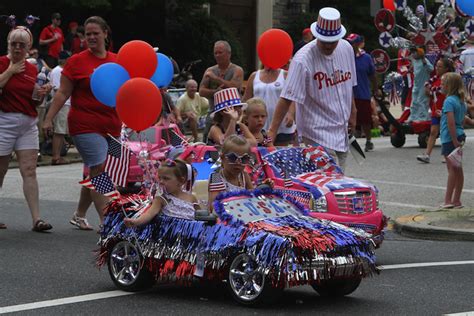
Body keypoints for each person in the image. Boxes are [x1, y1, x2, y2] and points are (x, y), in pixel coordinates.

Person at [42, 16, 121, 228]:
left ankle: (79, 213)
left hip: (112, 126)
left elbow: (126, 93)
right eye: (88, 34)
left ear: (105, 33)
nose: (92, 37)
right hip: (84, 125)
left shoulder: (117, 61)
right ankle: (108, 223)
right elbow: (62, 93)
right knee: (98, 168)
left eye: (96, 33)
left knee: (98, 170)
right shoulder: (77, 61)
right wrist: (48, 119)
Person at [268, 7, 357, 171]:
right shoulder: (302, 59)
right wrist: (272, 131)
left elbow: (348, 84)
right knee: (327, 186)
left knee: (339, 184)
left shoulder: (346, 49)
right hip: (316, 134)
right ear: (316, 36)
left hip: (342, 132)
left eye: (333, 41)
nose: (329, 45)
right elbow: (287, 96)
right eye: (324, 41)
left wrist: (353, 110)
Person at [0, 26, 53, 231]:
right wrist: (11, 71)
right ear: (8, 44)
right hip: (5, 121)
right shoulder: (3, 62)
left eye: (22, 45)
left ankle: (36, 219)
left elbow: (34, 103)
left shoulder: (33, 70)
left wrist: (41, 93)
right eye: (14, 44)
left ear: (29, 47)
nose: (17, 48)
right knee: (1, 171)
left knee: (29, 170)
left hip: (28, 123)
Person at [124, 159, 199, 226]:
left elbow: (202, 215)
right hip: (172, 237)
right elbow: (149, 214)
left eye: (166, 178)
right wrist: (136, 222)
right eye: (160, 178)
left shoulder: (191, 198)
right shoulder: (161, 199)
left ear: (181, 181)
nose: (161, 182)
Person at [199, 40, 244, 143]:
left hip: (232, 113)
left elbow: (234, 86)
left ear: (229, 54)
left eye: (220, 52)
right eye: (215, 53)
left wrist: (215, 78)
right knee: (209, 141)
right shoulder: (210, 70)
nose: (217, 55)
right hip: (214, 112)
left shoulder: (237, 70)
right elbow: (201, 91)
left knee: (234, 142)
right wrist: (215, 92)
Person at [439, 72, 470, 209]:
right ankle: (457, 200)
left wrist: (453, 139)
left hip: (449, 137)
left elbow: (451, 123)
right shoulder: (461, 101)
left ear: (449, 85)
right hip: (460, 134)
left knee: (451, 169)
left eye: (443, 83)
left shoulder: (449, 101)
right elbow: (461, 120)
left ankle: (447, 200)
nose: (441, 85)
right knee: (458, 168)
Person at [243, 66, 296, 146]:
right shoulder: (254, 76)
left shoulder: (285, 74)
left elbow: (292, 96)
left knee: (279, 153)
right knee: (260, 151)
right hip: (259, 125)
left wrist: (291, 114)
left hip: (282, 124)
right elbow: (246, 99)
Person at [417, 58, 454, 163]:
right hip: (436, 108)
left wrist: (433, 90)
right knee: (433, 132)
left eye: (440, 66)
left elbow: (444, 90)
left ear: (446, 68)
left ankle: (448, 154)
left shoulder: (449, 78)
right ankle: (427, 155)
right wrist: (428, 90)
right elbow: (429, 94)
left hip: (446, 108)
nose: (437, 68)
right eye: (436, 66)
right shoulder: (435, 78)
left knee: (446, 132)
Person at [346, 33, 379, 152]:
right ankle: (350, 142)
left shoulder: (366, 58)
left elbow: (372, 74)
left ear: (358, 44)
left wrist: (375, 89)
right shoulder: (345, 56)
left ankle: (369, 140)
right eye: (349, 42)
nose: (350, 45)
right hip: (348, 94)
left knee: (365, 119)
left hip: (363, 92)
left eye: (352, 43)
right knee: (348, 119)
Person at [208, 135, 254, 211]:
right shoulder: (216, 177)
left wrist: (264, 188)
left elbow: (253, 197)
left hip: (244, 215)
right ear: (222, 158)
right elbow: (213, 207)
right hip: (224, 218)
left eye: (244, 159)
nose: (238, 163)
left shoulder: (244, 175)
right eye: (232, 158)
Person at [48, 50, 72, 165]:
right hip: (62, 104)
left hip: (65, 104)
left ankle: (58, 155)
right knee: (59, 131)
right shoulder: (59, 71)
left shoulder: (62, 70)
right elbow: (58, 89)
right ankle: (56, 157)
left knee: (61, 131)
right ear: (65, 60)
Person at [407, 46, 434, 122]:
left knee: (422, 101)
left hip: (423, 84)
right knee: (414, 100)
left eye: (414, 52)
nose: (413, 54)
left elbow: (431, 69)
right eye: (412, 53)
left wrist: (425, 63)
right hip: (416, 84)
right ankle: (413, 116)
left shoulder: (424, 61)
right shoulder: (414, 61)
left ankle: (423, 117)